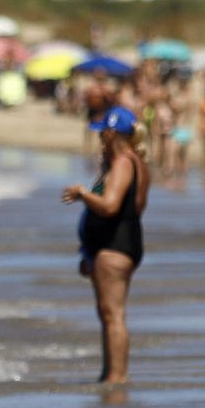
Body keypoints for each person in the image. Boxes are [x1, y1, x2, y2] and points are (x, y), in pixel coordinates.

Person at [62, 106, 150, 385]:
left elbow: (111, 206)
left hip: (115, 247)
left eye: (102, 133)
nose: (99, 138)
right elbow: (135, 206)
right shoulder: (133, 162)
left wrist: (82, 194)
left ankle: (116, 378)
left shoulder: (124, 162)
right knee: (109, 312)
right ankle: (109, 374)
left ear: (112, 134)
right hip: (117, 245)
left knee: (113, 314)